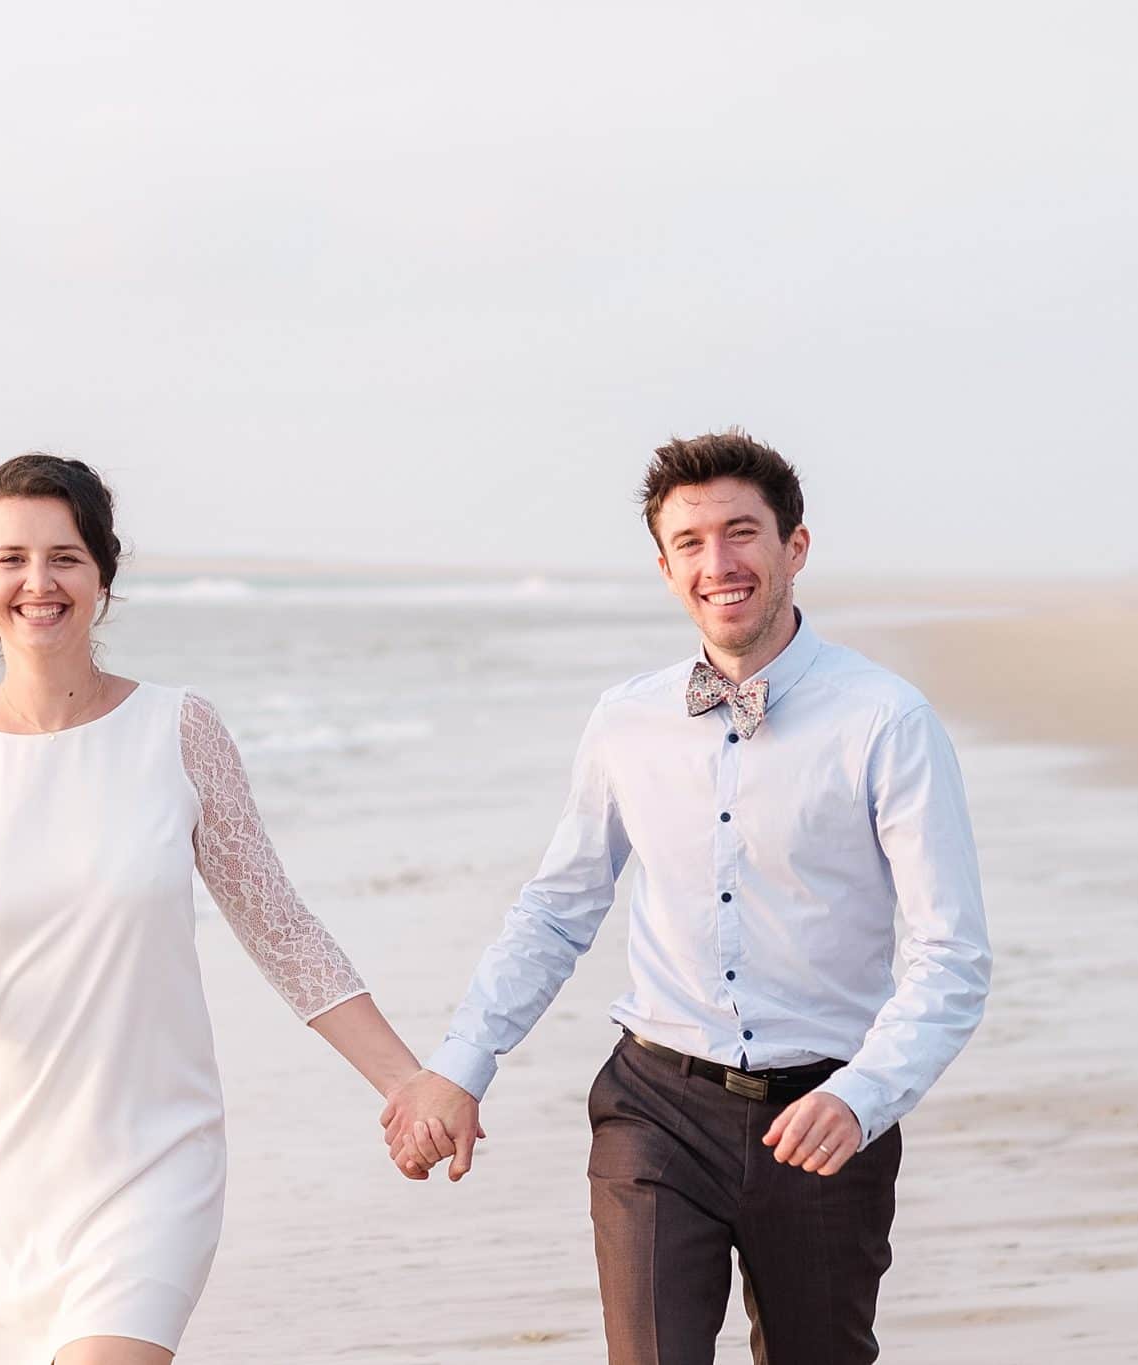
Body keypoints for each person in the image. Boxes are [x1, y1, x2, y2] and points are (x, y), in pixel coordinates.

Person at [380, 429, 992, 1364]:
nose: (720, 563)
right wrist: (463, 1064)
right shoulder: (626, 719)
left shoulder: (886, 720)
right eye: (692, 543)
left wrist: (864, 1095)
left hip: (824, 1116)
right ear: (665, 568)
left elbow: (951, 955)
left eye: (742, 532)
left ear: (795, 547)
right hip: (654, 1108)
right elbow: (557, 908)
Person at [0, 453, 422, 1365]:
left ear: (103, 576)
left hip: (150, 1158)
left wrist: (406, 1081)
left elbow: (278, 925)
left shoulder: (177, 730)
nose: (38, 582)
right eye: (12, 558)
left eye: (65, 556)